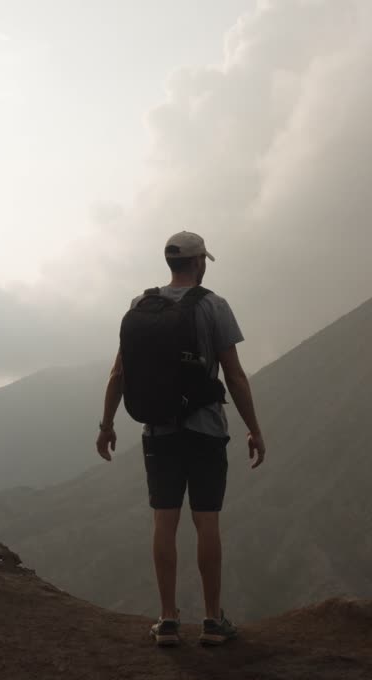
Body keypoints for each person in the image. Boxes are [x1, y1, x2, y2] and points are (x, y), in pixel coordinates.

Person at [96, 230, 266, 648]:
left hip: (158, 431)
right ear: (199, 262)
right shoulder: (214, 306)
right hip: (206, 430)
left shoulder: (140, 307)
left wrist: (106, 425)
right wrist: (254, 428)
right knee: (206, 520)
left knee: (164, 521)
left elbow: (119, 373)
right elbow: (235, 374)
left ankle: (168, 620)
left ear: (170, 263)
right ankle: (211, 620)